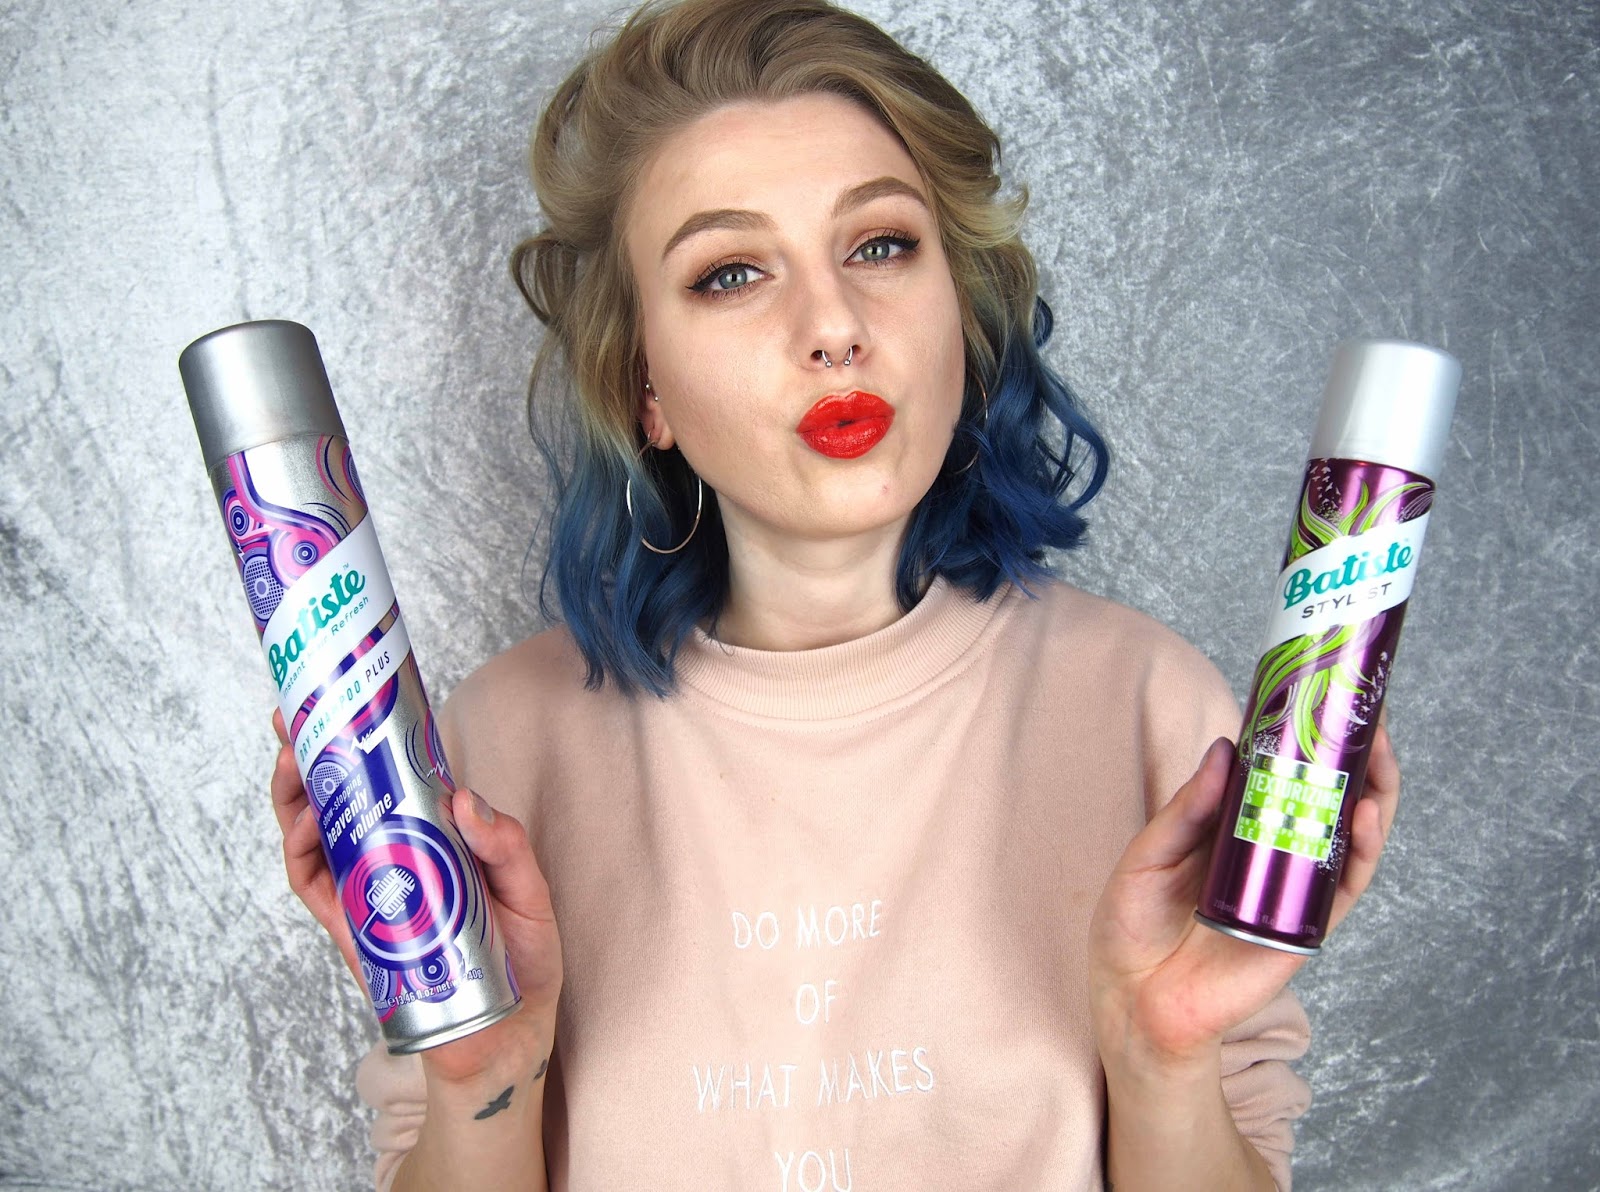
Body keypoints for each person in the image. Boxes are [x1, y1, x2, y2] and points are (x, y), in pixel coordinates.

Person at [268, 1, 1402, 1188]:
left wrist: (1163, 1050)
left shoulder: (1152, 710)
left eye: (879, 246)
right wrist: (480, 1079)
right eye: (731, 273)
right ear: (645, 386)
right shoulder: (493, 753)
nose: (833, 328)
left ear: (957, 303)